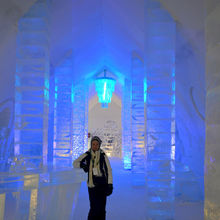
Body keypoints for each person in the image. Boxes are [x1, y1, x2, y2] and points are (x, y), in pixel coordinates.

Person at [73, 136, 113, 220]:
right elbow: (75, 163)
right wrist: (83, 165)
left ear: (99, 145)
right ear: (91, 145)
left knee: (102, 208)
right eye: (93, 144)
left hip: (103, 185)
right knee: (94, 208)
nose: (95, 146)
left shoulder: (103, 155)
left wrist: (110, 184)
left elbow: (109, 170)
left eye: (97, 144)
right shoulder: (87, 154)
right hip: (92, 186)